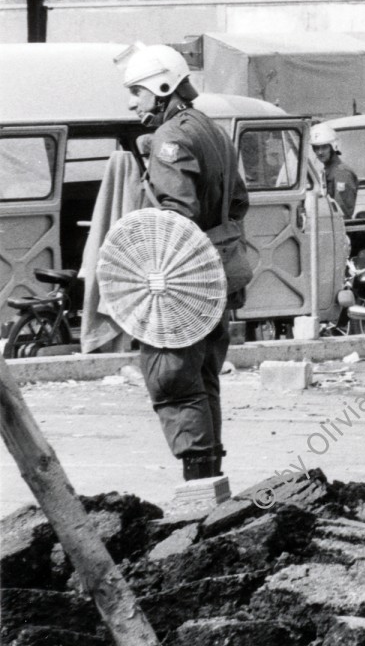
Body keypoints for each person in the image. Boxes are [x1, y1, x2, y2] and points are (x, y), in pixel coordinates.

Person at [118, 44, 251, 483]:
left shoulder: (171, 138)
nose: (133, 102)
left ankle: (197, 486)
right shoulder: (210, 130)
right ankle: (211, 481)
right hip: (218, 273)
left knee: (173, 376)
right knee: (204, 376)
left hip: (183, 280)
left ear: (161, 87)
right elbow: (238, 202)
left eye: (137, 92)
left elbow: (175, 219)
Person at [310, 124, 360, 221]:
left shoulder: (342, 172)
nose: (320, 152)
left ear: (333, 147)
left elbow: (341, 211)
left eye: (324, 147)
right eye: (316, 148)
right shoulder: (327, 170)